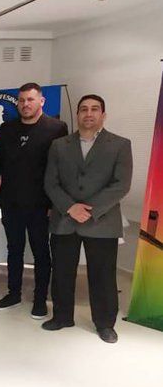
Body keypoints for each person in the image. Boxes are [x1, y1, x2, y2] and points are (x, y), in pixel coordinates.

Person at [42, 94, 132, 343]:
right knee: (61, 272)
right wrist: (70, 207)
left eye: (94, 109)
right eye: (84, 109)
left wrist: (89, 210)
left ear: (103, 115)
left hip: (102, 221)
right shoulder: (59, 145)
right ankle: (62, 317)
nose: (88, 113)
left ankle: (105, 324)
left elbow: (121, 185)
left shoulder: (120, 145)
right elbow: (50, 182)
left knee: (102, 275)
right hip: (65, 219)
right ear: (78, 114)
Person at [0, 82, 68, 319]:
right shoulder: (7, 128)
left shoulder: (57, 128)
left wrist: (55, 204)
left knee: (41, 253)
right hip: (10, 202)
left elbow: (62, 168)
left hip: (41, 204)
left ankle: (40, 299)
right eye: (21, 100)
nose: (25, 104)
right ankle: (14, 294)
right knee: (14, 250)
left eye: (30, 99)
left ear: (41, 101)